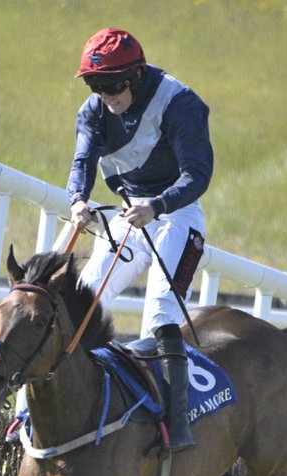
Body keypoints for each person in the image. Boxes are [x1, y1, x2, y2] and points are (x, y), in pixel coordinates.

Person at [67, 27, 213, 454]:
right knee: (85, 300)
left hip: (177, 214)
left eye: (111, 84)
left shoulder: (181, 104)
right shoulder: (93, 110)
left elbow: (197, 175)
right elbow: (83, 161)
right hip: (131, 214)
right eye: (95, 84)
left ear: (136, 75)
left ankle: (177, 426)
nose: (104, 94)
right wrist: (77, 200)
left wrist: (158, 206)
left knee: (160, 312)